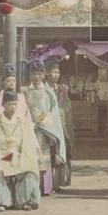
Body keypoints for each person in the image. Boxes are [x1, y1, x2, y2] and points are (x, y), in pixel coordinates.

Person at [0, 90, 42, 212]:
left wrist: (25, 157)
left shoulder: (23, 122)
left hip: (19, 156)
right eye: (10, 104)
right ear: (3, 105)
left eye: (15, 104)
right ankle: (0, 202)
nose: (13, 107)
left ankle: (26, 200)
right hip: (1, 156)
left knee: (29, 170)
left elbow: (28, 144)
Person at [23, 59, 67, 196]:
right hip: (28, 129)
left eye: (39, 74)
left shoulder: (49, 93)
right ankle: (31, 188)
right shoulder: (24, 92)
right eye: (33, 74)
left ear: (43, 75)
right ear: (30, 75)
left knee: (45, 158)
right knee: (30, 158)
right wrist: (29, 122)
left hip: (44, 131)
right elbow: (21, 110)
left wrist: (39, 122)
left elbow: (52, 113)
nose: (36, 77)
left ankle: (45, 188)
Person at [46, 57, 74, 191]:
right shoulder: (44, 89)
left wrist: (60, 112)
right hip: (48, 126)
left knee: (61, 151)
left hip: (61, 126)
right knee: (50, 152)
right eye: (53, 72)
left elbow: (67, 106)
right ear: (46, 73)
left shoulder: (62, 90)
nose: (56, 75)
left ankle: (59, 182)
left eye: (57, 72)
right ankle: (48, 183)